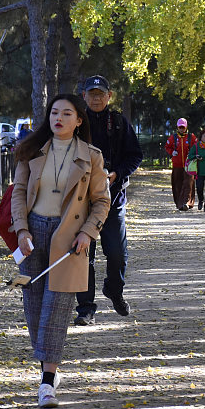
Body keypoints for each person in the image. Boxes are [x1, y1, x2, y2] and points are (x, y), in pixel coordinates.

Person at [9, 93, 111, 408]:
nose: (59, 118)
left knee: (57, 309)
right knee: (34, 307)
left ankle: (47, 382)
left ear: (79, 120)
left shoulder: (91, 156)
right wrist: (21, 229)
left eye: (67, 114)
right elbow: (19, 193)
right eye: (54, 112)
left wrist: (87, 233)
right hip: (32, 235)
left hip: (68, 238)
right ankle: (47, 369)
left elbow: (102, 201)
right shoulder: (30, 150)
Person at [74, 75, 143, 326]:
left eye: (100, 94)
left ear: (109, 96)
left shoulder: (119, 122)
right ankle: (85, 308)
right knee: (83, 254)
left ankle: (114, 290)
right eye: (91, 94)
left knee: (117, 253)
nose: (96, 98)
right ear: (84, 96)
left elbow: (135, 156)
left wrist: (117, 173)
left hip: (113, 198)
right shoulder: (76, 122)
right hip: (81, 200)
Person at [165, 118, 197, 210]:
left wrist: (193, 155)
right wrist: (172, 152)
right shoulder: (173, 137)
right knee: (177, 184)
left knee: (189, 184)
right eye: (180, 127)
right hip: (177, 165)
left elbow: (196, 147)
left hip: (189, 165)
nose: (181, 129)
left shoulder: (191, 137)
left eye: (183, 127)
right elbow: (167, 147)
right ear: (177, 127)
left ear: (186, 127)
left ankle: (187, 203)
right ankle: (179, 204)